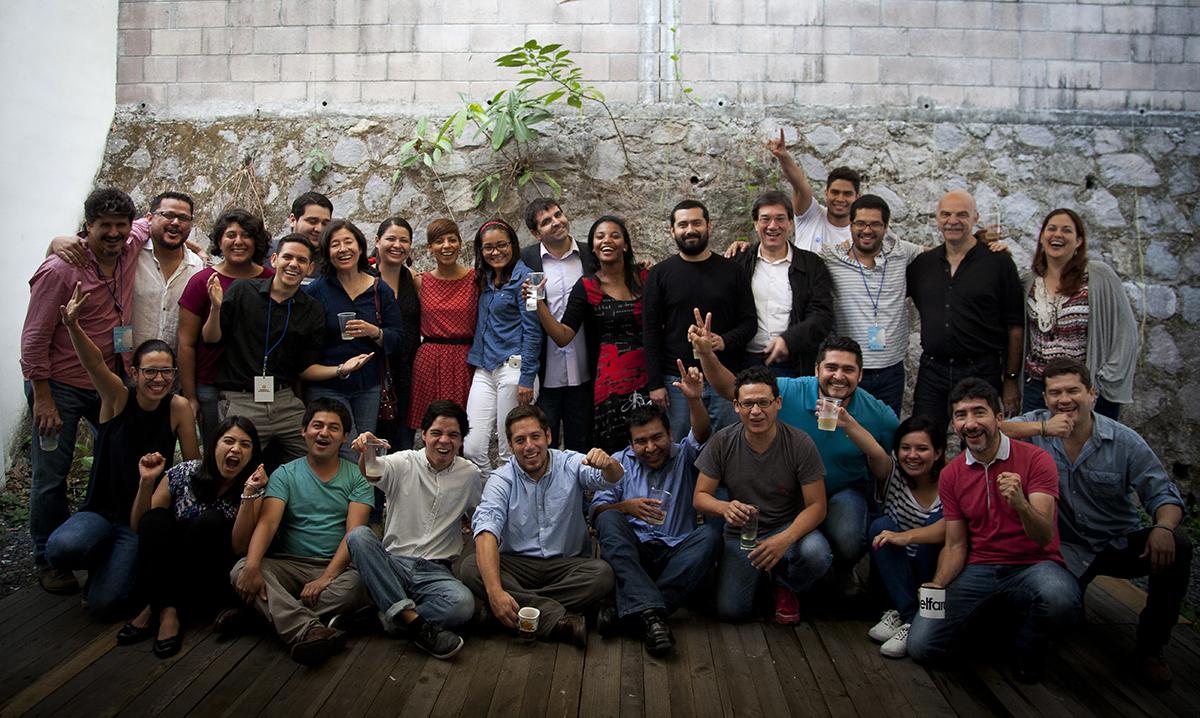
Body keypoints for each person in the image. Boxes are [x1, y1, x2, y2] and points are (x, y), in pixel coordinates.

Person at [1002, 358, 1190, 688]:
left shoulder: (1124, 440)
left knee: (1180, 546)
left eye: (1073, 391)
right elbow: (990, 430)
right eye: (1055, 393)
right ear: (1045, 399)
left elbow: (1163, 493)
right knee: (1054, 611)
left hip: (1117, 541)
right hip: (1065, 549)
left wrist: (1163, 528)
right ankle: (1069, 607)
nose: (1064, 400)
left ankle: (1150, 650)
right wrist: (1042, 428)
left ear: (1092, 393)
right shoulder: (1035, 428)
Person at [693, 331, 898, 590]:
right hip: (787, 496)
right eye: (831, 367)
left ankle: (839, 569)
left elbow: (890, 466)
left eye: (848, 369)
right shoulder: (792, 390)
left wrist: (852, 426)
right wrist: (706, 354)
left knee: (847, 536)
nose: (838, 376)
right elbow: (731, 388)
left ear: (860, 375)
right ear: (816, 369)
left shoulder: (877, 413)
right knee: (733, 607)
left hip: (839, 492)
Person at [907, 379, 1080, 683]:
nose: (970, 423)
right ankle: (994, 634)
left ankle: (1028, 649)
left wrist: (1021, 505)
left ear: (999, 418)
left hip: (1033, 564)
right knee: (921, 647)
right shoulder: (951, 473)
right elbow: (956, 545)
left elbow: (1044, 537)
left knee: (1062, 597)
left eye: (979, 413)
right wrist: (938, 583)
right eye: (961, 416)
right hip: (981, 566)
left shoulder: (1036, 460)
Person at [46, 283, 200, 619]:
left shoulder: (178, 408)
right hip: (100, 511)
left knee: (105, 604)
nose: (158, 379)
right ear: (134, 372)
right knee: (60, 549)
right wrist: (72, 326)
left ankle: (114, 568)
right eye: (150, 371)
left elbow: (192, 465)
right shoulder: (117, 397)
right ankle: (101, 555)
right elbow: (95, 364)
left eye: (166, 372)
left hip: (139, 519)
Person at [22, 188, 141, 594]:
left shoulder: (128, 248)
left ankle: (99, 536)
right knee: (51, 474)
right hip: (61, 386)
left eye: (119, 226)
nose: (113, 233)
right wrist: (43, 397)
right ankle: (48, 557)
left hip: (107, 382)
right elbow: (34, 337)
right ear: (86, 227)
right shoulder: (60, 269)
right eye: (103, 226)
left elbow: (153, 224)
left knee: (119, 459)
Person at [202, 234, 373, 468]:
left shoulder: (311, 308)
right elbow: (211, 338)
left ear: (310, 267)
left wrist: (342, 369)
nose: (294, 264)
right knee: (234, 463)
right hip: (241, 397)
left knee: (318, 456)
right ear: (274, 259)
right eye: (288, 257)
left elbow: (306, 369)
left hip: (283, 399)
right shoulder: (243, 291)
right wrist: (215, 308)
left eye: (302, 260)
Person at [460, 405, 621, 646]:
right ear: (511, 445)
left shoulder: (570, 463)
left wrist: (608, 464)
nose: (529, 446)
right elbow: (485, 530)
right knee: (471, 566)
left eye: (535, 436)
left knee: (602, 574)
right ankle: (554, 618)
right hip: (518, 565)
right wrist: (495, 592)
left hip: (567, 564)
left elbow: (611, 478)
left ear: (548, 436)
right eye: (520, 440)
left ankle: (510, 610)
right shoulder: (501, 479)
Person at [229, 398, 374, 665]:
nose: (323, 433)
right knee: (241, 569)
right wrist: (252, 565)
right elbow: (268, 523)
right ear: (303, 431)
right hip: (289, 564)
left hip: (336, 568)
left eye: (333, 428)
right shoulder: (285, 474)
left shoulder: (357, 477)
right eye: (317, 425)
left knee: (357, 586)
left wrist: (326, 577)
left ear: (344, 437)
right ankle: (309, 628)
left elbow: (353, 533)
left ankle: (265, 613)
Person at [592, 363, 721, 655]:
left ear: (669, 433)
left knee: (711, 536)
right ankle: (653, 615)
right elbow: (597, 513)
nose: (650, 447)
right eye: (641, 441)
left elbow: (701, 432)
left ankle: (634, 611)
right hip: (634, 553)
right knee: (611, 518)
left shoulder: (684, 454)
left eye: (657, 438)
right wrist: (626, 507)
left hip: (676, 553)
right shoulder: (619, 462)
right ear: (631, 442)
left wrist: (693, 399)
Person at [121, 416, 267, 658]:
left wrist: (248, 494)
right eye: (228, 441)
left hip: (210, 574)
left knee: (211, 521)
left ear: (252, 454)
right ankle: (166, 607)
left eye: (245, 444)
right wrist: (146, 482)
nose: (235, 449)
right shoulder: (183, 472)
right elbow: (142, 526)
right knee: (156, 517)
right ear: (214, 446)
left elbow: (239, 546)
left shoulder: (254, 487)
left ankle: (159, 608)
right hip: (170, 566)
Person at [693, 367, 830, 624]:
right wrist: (724, 508)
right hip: (744, 532)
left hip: (787, 526)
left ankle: (785, 584)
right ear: (736, 406)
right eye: (747, 404)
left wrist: (785, 538)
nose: (755, 411)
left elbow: (817, 506)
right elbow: (700, 496)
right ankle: (755, 578)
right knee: (732, 611)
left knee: (817, 553)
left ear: (777, 403)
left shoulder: (800, 443)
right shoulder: (723, 441)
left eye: (763, 403)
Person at [346, 400, 481, 660]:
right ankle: (416, 625)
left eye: (453, 435)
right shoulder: (404, 462)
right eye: (436, 433)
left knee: (463, 604)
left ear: (462, 440)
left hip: (436, 571)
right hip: (394, 562)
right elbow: (372, 472)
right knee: (359, 536)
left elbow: (479, 514)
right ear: (424, 434)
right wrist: (369, 448)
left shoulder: (470, 474)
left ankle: (389, 616)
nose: (444, 441)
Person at [527, 215, 649, 454]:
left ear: (625, 244)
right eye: (600, 236)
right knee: (612, 450)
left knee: (649, 442)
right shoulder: (587, 286)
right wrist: (538, 302)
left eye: (615, 235)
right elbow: (563, 336)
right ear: (591, 246)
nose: (607, 241)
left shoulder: (646, 278)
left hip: (648, 376)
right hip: (610, 380)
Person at [908, 190, 1024, 426]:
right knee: (925, 439)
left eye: (962, 214)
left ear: (975, 218)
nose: (953, 221)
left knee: (981, 441)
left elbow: (1015, 326)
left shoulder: (999, 262)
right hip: (933, 370)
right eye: (946, 214)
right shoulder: (922, 264)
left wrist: (1010, 379)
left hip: (982, 370)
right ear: (937, 218)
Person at [642, 200, 756, 441]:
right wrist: (655, 384)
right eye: (682, 224)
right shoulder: (659, 274)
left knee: (729, 445)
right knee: (681, 450)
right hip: (677, 380)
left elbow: (749, 323)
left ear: (709, 226)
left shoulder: (733, 271)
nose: (690, 229)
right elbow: (650, 332)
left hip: (725, 378)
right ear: (672, 231)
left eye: (696, 223)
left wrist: (722, 341)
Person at [1019, 209, 1138, 420]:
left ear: (1079, 241)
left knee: (1088, 450)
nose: (1057, 235)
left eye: (1066, 230)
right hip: (1038, 388)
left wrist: (1102, 381)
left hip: (1084, 389)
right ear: (1042, 238)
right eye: (1051, 229)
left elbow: (1126, 333)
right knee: (1039, 450)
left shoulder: (1098, 276)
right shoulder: (1029, 281)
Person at [303, 220, 402, 457]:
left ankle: (363, 495)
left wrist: (374, 332)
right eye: (335, 244)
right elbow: (306, 342)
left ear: (360, 246)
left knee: (367, 451)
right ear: (327, 252)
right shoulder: (317, 290)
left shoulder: (379, 289)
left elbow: (398, 338)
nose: (343, 249)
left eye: (349, 242)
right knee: (347, 451)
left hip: (368, 385)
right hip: (328, 385)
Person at [820, 195, 923, 416]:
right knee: (837, 431)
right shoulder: (831, 257)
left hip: (891, 370)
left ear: (885, 227)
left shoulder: (901, 251)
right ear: (851, 224)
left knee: (886, 435)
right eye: (860, 223)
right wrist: (744, 248)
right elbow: (794, 258)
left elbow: (943, 256)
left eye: (875, 224)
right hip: (845, 370)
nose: (867, 230)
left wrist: (981, 243)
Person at [178, 209, 273, 444]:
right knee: (216, 452)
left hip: (256, 386)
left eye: (247, 235)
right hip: (211, 385)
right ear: (220, 241)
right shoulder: (202, 282)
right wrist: (190, 396)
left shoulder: (271, 280)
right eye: (231, 235)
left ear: (257, 241)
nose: (238, 241)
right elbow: (186, 342)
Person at [864, 416, 947, 659]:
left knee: (931, 532)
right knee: (881, 525)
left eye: (922, 449)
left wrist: (908, 537)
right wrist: (844, 419)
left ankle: (907, 617)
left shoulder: (952, 480)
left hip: (931, 574)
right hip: (894, 571)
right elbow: (871, 448)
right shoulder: (893, 474)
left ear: (938, 452)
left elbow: (952, 529)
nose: (912, 455)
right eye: (905, 448)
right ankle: (909, 616)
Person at [463, 219, 541, 473]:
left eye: (502, 245)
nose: (495, 252)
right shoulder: (483, 279)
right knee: (472, 447)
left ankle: (511, 507)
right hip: (484, 368)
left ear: (513, 245)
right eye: (488, 248)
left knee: (511, 449)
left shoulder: (527, 280)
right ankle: (490, 496)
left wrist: (527, 378)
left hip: (514, 369)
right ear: (481, 251)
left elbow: (533, 330)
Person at [730, 190, 833, 378]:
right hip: (745, 363)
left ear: (791, 224)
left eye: (780, 219)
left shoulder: (812, 265)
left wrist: (789, 340)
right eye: (765, 219)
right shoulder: (739, 261)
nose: (772, 226)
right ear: (755, 224)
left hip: (793, 363)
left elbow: (822, 316)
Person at [521, 199, 595, 452]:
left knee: (582, 445)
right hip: (547, 372)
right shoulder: (527, 259)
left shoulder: (590, 255)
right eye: (546, 221)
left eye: (558, 215)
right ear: (535, 232)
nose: (556, 223)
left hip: (585, 368)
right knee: (545, 447)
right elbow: (527, 308)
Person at [727, 130, 860, 254]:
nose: (840, 199)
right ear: (826, 193)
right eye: (835, 192)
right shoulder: (811, 214)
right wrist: (783, 157)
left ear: (857, 197)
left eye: (847, 194)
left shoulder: (861, 232)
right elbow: (799, 183)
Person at [407, 218, 477, 436]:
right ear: (430, 247)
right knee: (431, 427)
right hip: (430, 359)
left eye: (452, 240)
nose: (446, 246)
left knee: (466, 426)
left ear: (460, 243)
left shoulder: (476, 279)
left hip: (465, 359)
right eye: (439, 241)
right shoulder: (420, 281)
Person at [372, 216, 421, 452]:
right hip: (373, 372)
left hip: (407, 374)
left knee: (403, 446)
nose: (397, 245)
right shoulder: (363, 278)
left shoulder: (413, 279)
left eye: (404, 240)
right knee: (373, 445)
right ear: (377, 241)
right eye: (391, 239)